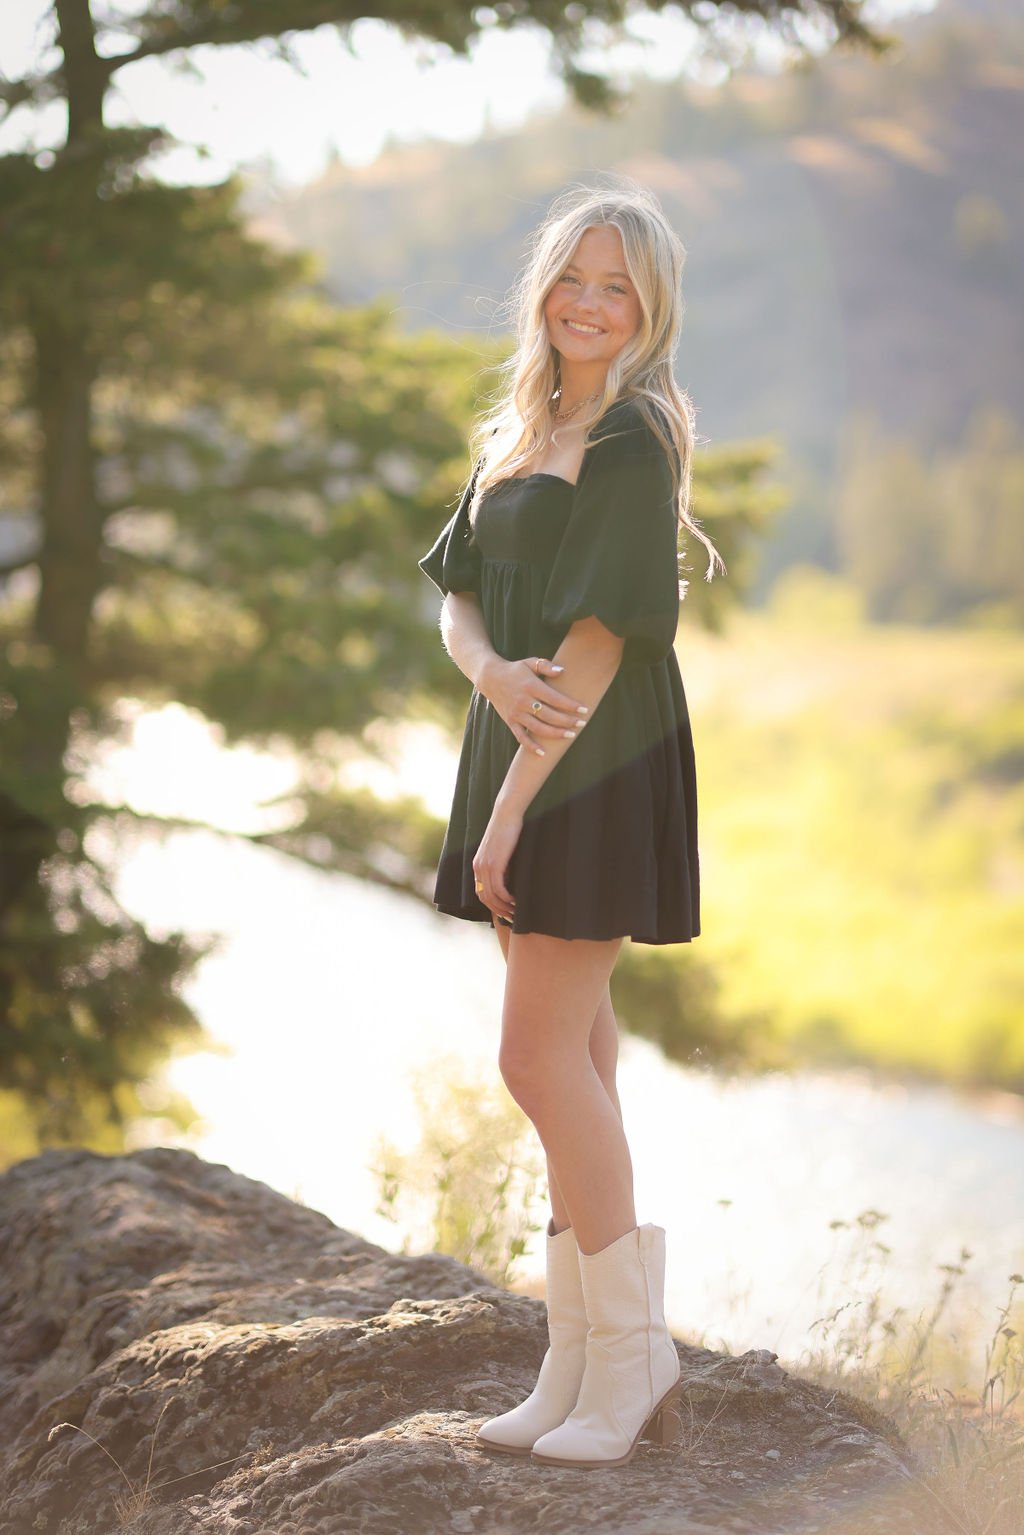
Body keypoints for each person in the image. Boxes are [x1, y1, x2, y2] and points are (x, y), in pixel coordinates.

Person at [417, 180, 726, 1470]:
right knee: (576, 1068)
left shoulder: (635, 435)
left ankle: (634, 1359)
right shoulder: (524, 422)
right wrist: (486, 673)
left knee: (537, 1064)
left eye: (620, 288)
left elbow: (598, 644)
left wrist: (508, 811)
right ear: (544, 287)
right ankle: (577, 1361)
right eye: (575, 280)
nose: (591, 305)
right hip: (517, 730)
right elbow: (454, 595)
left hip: (590, 760)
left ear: (649, 309)